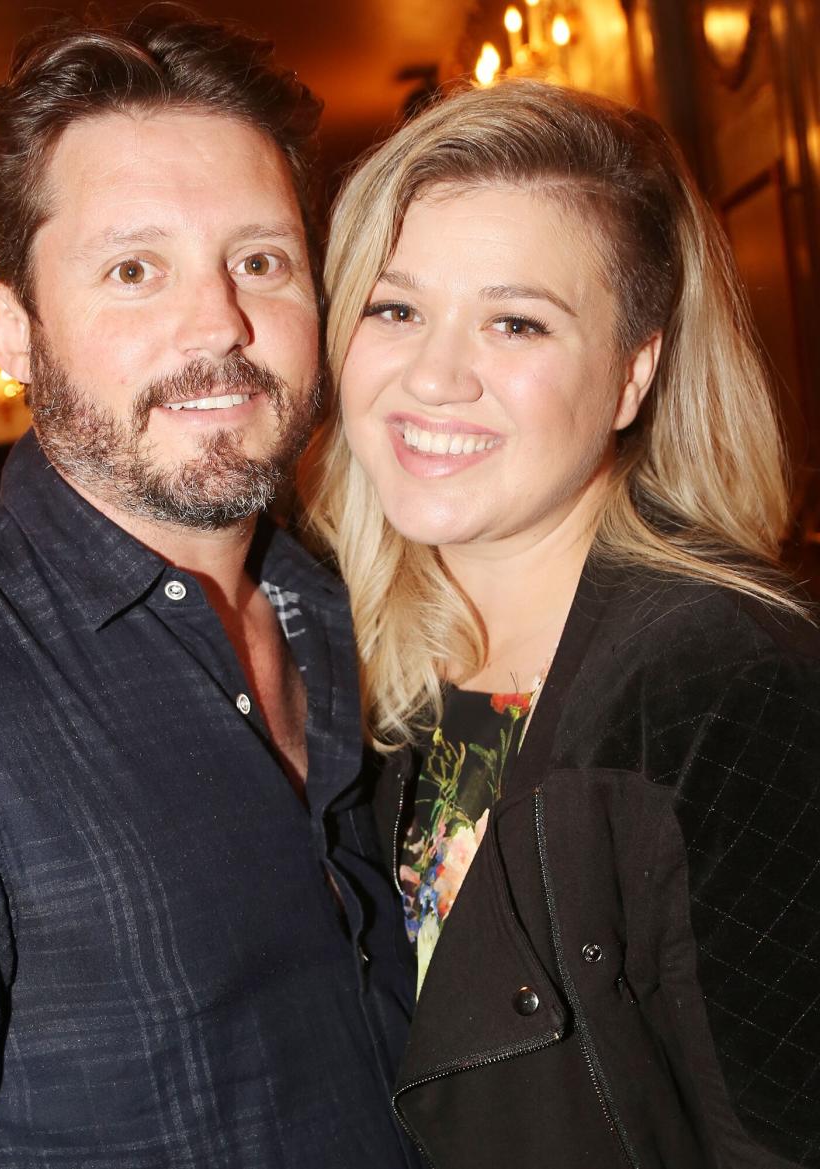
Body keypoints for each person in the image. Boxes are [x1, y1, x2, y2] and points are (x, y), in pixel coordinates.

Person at [0, 13, 417, 1168]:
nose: (218, 321)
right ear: (13, 330)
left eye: (260, 259)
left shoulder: (347, 605)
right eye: (132, 268)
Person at [303, 79, 820, 1168]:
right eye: (395, 308)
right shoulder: (386, 665)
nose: (432, 376)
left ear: (634, 372)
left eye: (516, 321)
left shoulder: (723, 681)